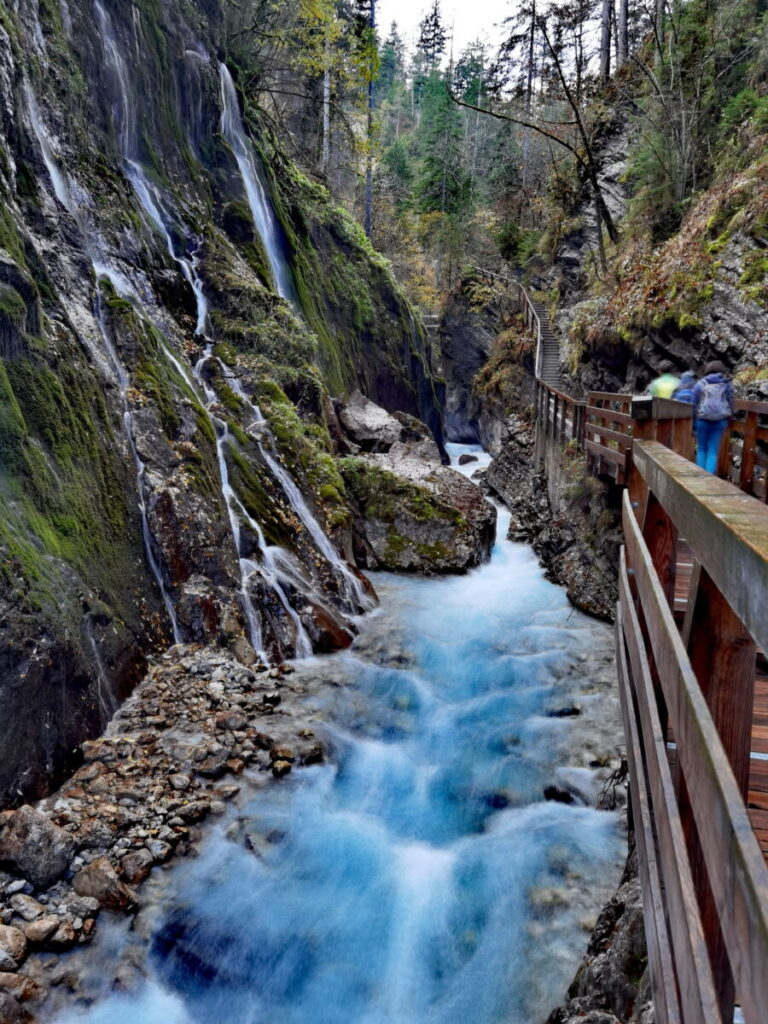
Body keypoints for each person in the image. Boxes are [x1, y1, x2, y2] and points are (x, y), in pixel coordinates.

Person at [692, 360, 734, 473]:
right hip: (720, 421)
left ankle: (700, 476)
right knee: (713, 450)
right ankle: (709, 478)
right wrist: (730, 417)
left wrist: (694, 422)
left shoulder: (700, 384)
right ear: (721, 371)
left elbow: (694, 404)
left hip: (702, 420)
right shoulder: (726, 384)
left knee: (701, 448)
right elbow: (730, 402)